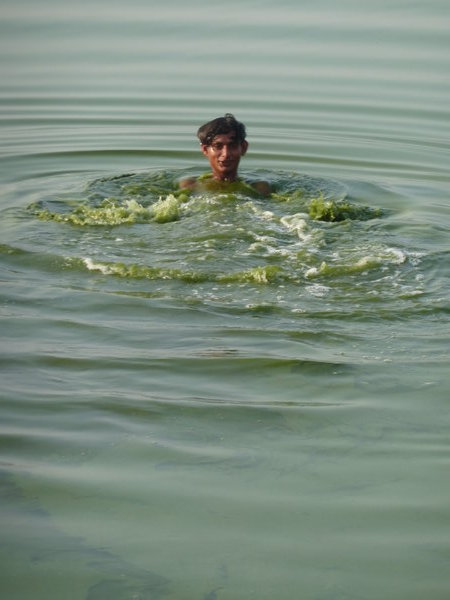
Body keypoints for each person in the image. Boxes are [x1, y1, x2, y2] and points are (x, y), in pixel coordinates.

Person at [179, 114, 271, 196]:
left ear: (243, 147)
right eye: (218, 146)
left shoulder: (259, 188)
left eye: (232, 145)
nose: (226, 154)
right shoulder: (190, 185)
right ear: (205, 149)